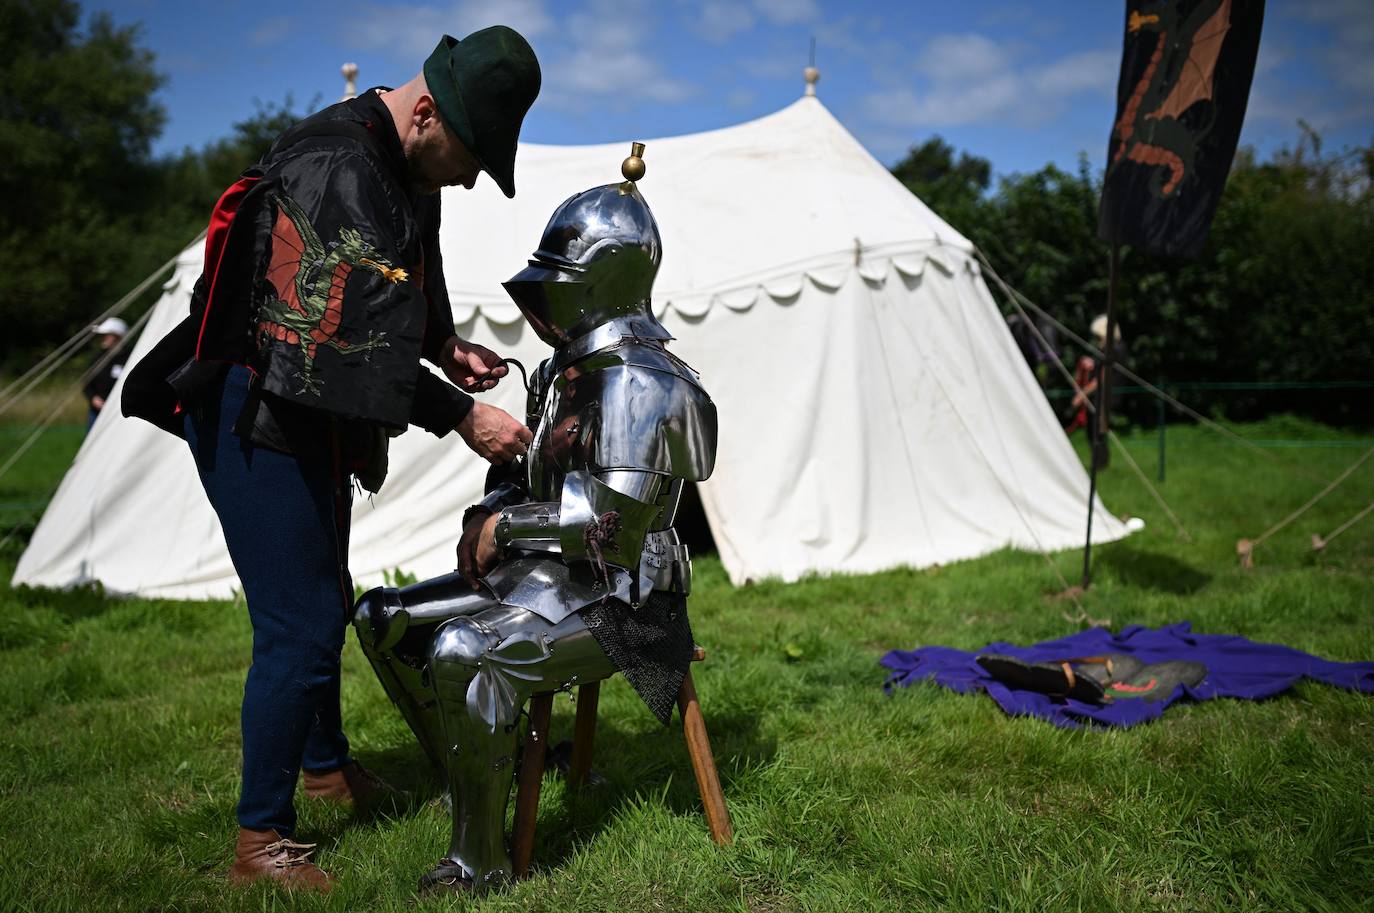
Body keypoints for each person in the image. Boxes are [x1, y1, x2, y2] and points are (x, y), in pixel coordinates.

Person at [122, 26, 539, 892]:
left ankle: (324, 767)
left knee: (323, 600)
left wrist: (444, 342)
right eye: (469, 156)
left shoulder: (402, 164)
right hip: (255, 410)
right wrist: (465, 415)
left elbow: (399, 280)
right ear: (425, 112)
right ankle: (260, 843)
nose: (469, 177)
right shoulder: (337, 167)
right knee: (302, 626)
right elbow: (345, 344)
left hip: (308, 411)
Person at [352, 146, 719, 894]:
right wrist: (487, 515)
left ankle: (478, 861)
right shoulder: (566, 372)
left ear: (605, 281)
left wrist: (505, 531)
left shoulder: (645, 382)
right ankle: (469, 776)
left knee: (463, 649)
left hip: (626, 599)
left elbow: (609, 529)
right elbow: (525, 477)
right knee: (382, 615)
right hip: (551, 578)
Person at [1065, 314, 1128, 440]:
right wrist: (1093, 362)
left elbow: (1100, 380)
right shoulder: (1119, 347)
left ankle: (1100, 459)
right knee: (1098, 436)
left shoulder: (1110, 350)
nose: (1097, 339)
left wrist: (1081, 396)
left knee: (1096, 437)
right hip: (1109, 397)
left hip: (1102, 400)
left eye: (1098, 336)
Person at [83, 317, 129, 430]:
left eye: (108, 335)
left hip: (119, 413)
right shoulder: (98, 358)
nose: (104, 338)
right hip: (97, 412)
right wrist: (94, 398)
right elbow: (87, 383)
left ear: (118, 336)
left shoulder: (129, 357)